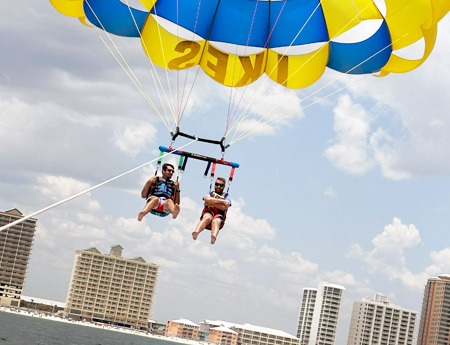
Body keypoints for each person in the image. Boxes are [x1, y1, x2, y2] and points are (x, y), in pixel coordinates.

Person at [192, 177, 231, 244]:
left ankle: (214, 236)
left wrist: (211, 202)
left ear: (224, 186)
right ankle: (196, 232)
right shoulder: (209, 193)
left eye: (221, 185)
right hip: (209, 212)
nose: (218, 186)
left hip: (219, 215)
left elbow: (223, 207)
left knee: (216, 221)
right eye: (216, 184)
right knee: (207, 217)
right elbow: (206, 199)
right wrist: (221, 201)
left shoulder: (227, 196)